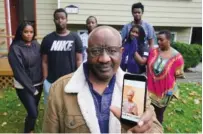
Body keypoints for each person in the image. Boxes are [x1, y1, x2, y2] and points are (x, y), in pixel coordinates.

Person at [42, 26, 163, 133]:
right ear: (88, 53)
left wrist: (146, 130)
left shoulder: (135, 87)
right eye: (96, 51)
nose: (104, 59)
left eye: (112, 51)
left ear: (121, 52)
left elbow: (156, 128)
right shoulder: (60, 89)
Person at [41, 8, 83, 104]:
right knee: (51, 107)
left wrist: (79, 76)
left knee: (69, 106)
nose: (60, 20)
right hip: (51, 81)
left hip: (70, 80)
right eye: (57, 18)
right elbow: (44, 61)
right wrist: (45, 78)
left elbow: (79, 60)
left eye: (62, 18)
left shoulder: (75, 38)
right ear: (54, 20)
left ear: (67, 20)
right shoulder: (47, 39)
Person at [8, 21, 43, 133]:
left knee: (33, 110)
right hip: (23, 86)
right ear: (20, 32)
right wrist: (32, 89)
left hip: (38, 83)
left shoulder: (36, 45)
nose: (29, 34)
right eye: (26, 32)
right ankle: (28, 131)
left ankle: (30, 126)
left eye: (31, 32)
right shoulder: (15, 48)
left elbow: (43, 61)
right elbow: (19, 72)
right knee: (33, 112)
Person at [147, 30, 184, 124]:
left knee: (159, 115)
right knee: (149, 112)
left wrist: (170, 89)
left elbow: (177, 75)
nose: (158, 42)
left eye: (161, 40)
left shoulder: (177, 57)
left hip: (165, 92)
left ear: (169, 40)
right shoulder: (154, 52)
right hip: (150, 89)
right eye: (157, 39)